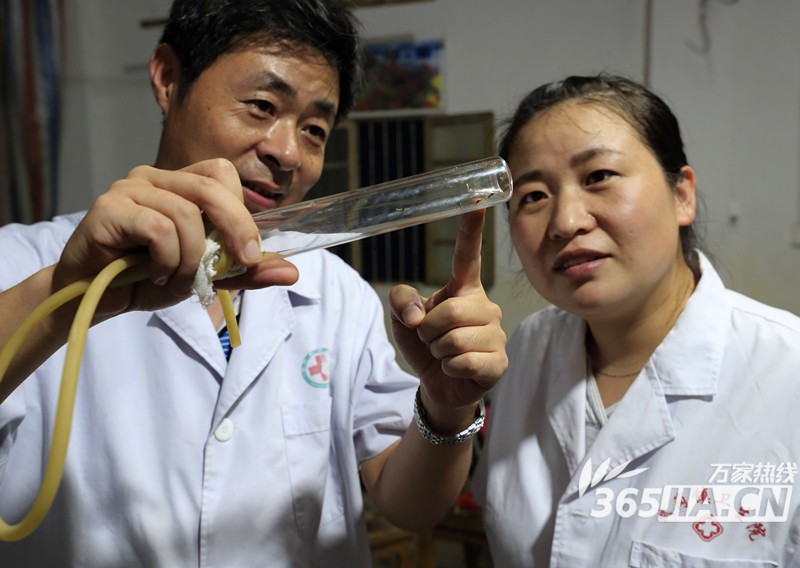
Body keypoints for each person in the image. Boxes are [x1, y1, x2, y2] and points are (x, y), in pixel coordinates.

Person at [0, 1, 508, 566]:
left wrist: (445, 408)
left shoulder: (336, 293)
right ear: (168, 79)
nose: (287, 153)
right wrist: (62, 299)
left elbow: (410, 505)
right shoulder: (22, 264)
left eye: (314, 130)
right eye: (261, 106)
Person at [472, 74, 800, 566]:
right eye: (533, 196)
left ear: (682, 195)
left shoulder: (787, 374)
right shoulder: (525, 350)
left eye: (598, 176)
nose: (566, 222)